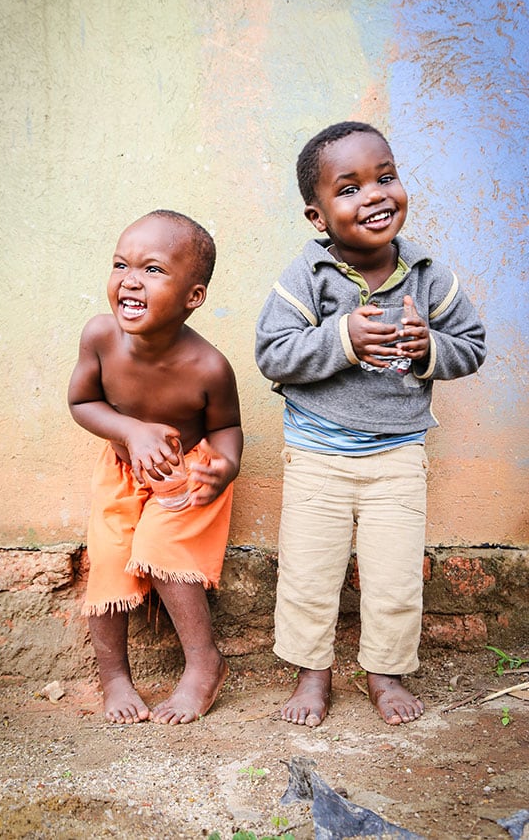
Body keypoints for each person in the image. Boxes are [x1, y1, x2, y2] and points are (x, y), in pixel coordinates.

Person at [255, 122, 486, 726]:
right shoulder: (307, 277)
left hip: (397, 458)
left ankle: (384, 675)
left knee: (394, 580)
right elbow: (272, 353)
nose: (376, 195)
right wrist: (342, 337)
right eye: (350, 188)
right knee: (309, 576)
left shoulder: (430, 275)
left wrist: (427, 346)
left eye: (385, 178)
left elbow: (472, 346)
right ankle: (313, 676)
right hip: (316, 456)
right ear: (318, 216)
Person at [69, 209, 243, 725]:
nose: (130, 280)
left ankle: (204, 665)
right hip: (123, 468)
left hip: (185, 473)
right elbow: (81, 403)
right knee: (110, 556)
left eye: (153, 270)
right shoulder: (100, 337)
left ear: (193, 297)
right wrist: (129, 431)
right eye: (121, 264)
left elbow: (227, 427)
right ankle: (114, 678)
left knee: (162, 546)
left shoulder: (208, 366)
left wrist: (226, 467)